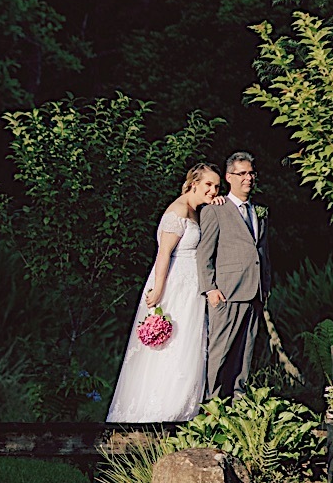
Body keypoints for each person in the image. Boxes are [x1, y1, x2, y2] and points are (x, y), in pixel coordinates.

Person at [107, 163, 223, 423]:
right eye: (208, 185)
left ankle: (183, 408)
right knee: (170, 342)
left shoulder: (197, 211)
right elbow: (164, 254)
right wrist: (159, 288)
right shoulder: (178, 210)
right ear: (194, 183)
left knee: (189, 343)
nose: (213, 190)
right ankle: (159, 409)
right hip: (174, 284)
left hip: (192, 288)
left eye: (217, 186)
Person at [197, 151, 271, 400]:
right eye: (242, 174)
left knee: (245, 354)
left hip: (255, 292)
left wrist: (265, 286)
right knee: (220, 353)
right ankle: (212, 405)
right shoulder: (215, 210)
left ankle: (239, 405)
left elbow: (263, 251)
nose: (248, 178)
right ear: (229, 177)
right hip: (227, 293)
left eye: (251, 173)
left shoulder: (259, 211)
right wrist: (210, 289)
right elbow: (204, 253)